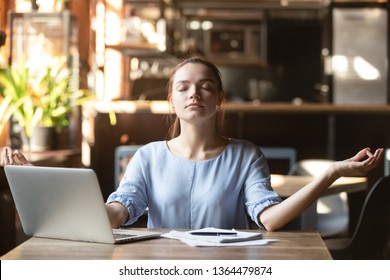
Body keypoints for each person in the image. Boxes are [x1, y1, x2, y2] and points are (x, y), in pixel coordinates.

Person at [1, 56, 384, 231]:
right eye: (183, 88)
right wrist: (43, 186)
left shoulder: (246, 154)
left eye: (206, 87)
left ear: (219, 99)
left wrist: (332, 173)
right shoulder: (147, 157)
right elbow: (113, 217)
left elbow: (270, 220)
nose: (194, 94)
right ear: (171, 102)